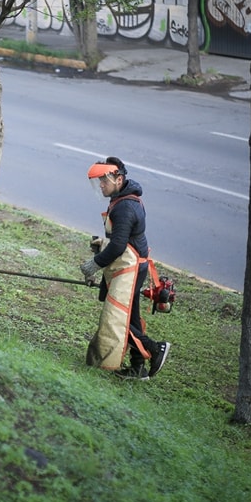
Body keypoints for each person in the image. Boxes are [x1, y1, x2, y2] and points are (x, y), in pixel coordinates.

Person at [79, 156, 171, 380]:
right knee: (131, 316)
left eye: (103, 181)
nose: (100, 185)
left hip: (129, 268)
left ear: (119, 179)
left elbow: (119, 245)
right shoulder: (123, 200)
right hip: (129, 265)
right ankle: (138, 367)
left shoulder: (125, 207)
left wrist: (94, 265)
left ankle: (155, 348)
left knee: (119, 317)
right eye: (98, 181)